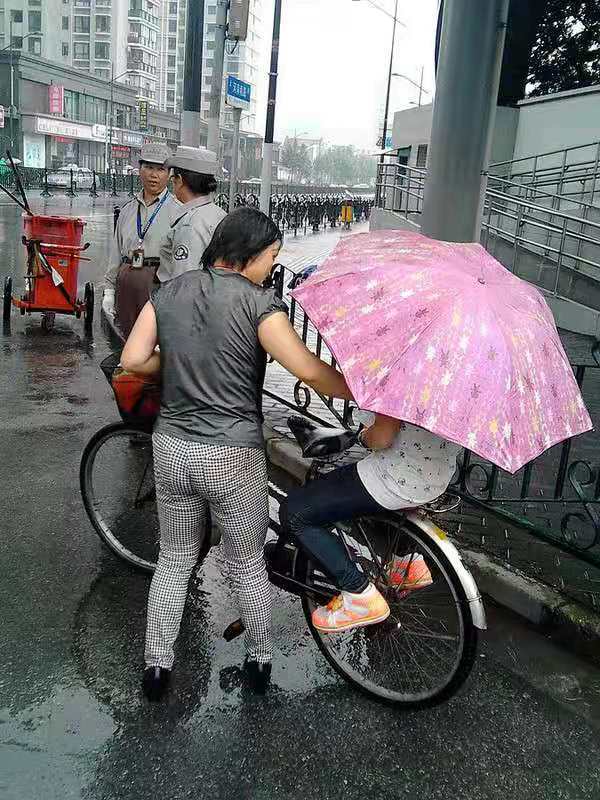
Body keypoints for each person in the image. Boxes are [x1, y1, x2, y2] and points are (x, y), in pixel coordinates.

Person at [120, 206, 353, 701]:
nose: (272, 266)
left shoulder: (171, 292)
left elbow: (133, 359)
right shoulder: (258, 305)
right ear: (249, 254)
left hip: (173, 450)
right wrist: (362, 391)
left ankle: (157, 667)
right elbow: (308, 372)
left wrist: (180, 361)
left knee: (175, 557)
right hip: (231, 456)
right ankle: (260, 660)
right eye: (271, 256)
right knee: (244, 561)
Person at [280, 412, 461, 634]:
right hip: (435, 477)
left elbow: (381, 438)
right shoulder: (460, 380)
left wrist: (363, 437)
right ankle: (405, 563)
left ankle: (359, 594)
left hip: (394, 475)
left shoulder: (409, 377)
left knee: (295, 513)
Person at [102, 143, 180, 339]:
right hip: (126, 284)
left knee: (153, 343)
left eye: (160, 169)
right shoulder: (127, 210)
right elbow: (115, 253)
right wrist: (109, 290)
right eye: (149, 168)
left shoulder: (178, 212)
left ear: (169, 174)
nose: (154, 175)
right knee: (125, 341)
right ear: (140, 170)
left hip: (157, 285)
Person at [156, 145, 226, 283]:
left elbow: (185, 283)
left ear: (180, 180)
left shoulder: (189, 224)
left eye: (173, 179)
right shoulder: (219, 214)